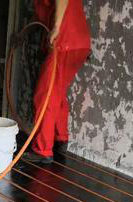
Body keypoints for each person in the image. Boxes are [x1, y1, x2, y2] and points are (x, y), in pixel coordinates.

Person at [23, 0, 91, 164]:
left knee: (44, 96)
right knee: (56, 92)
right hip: (78, 43)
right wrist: (21, 35)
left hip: (65, 42)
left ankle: (43, 150)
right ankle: (60, 138)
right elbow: (40, 16)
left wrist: (57, 27)